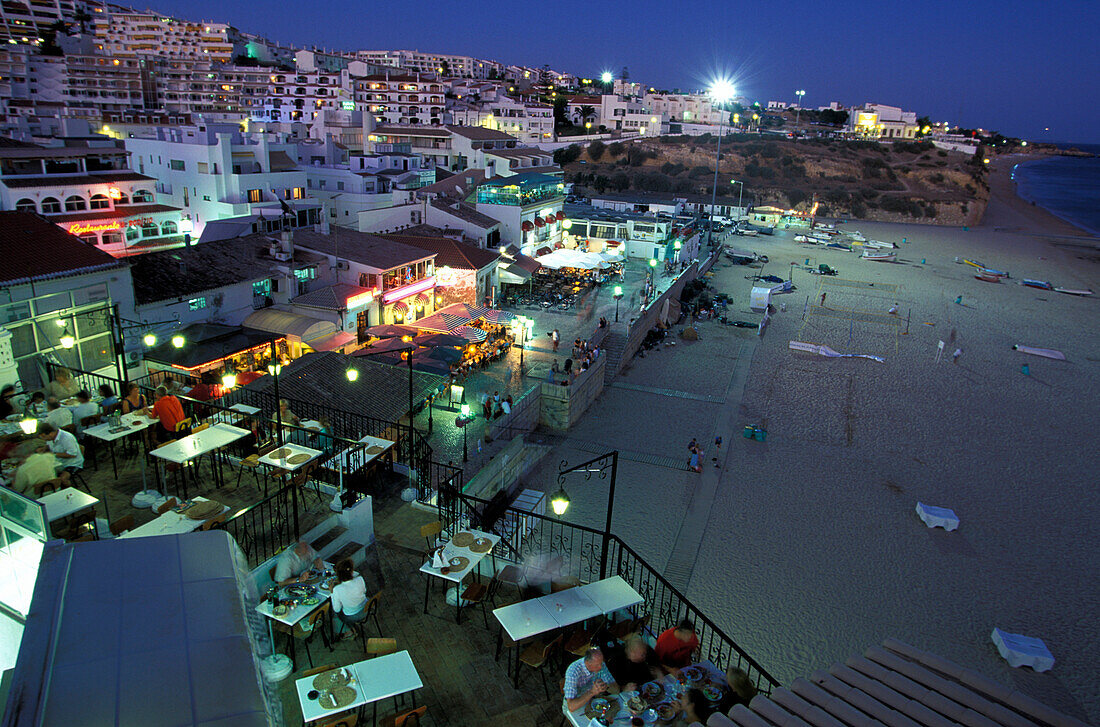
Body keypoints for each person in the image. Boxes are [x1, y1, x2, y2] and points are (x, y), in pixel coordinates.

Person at [564, 648, 620, 713]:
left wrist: (606, 685)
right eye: (597, 665)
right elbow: (571, 707)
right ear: (588, 663)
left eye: (601, 663)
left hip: (592, 701)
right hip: (575, 707)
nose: (601, 667)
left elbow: (616, 690)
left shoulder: (600, 664)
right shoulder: (573, 671)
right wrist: (592, 692)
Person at [329, 559, 370, 640]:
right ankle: (350, 629)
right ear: (351, 571)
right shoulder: (360, 579)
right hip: (366, 608)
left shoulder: (337, 589)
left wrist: (331, 592)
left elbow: (337, 609)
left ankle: (348, 631)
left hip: (352, 616)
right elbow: (364, 591)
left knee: (334, 613)